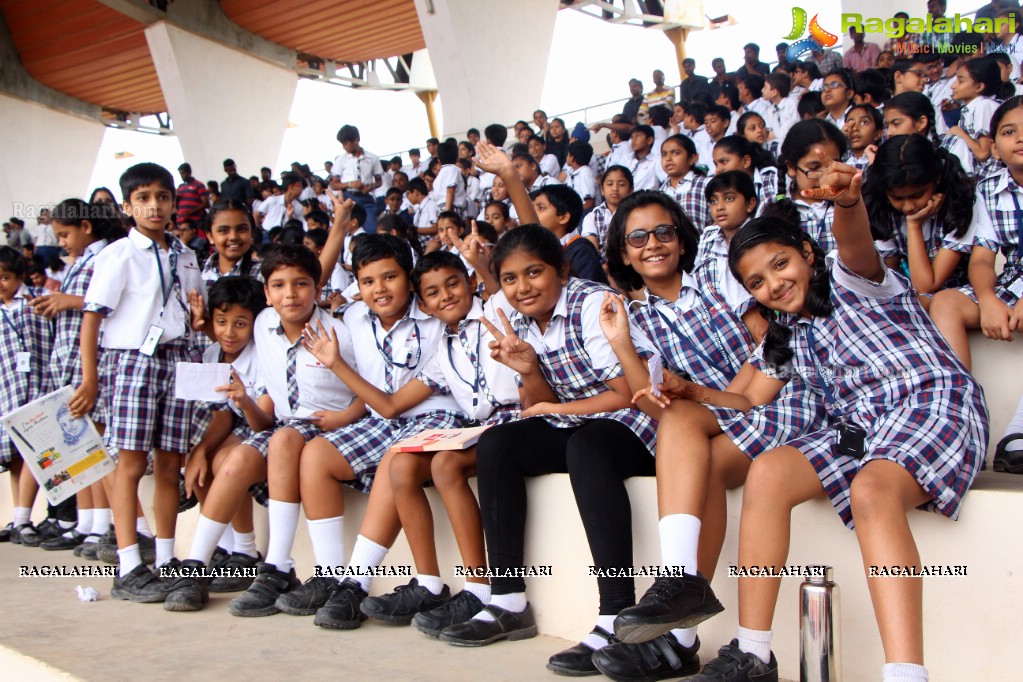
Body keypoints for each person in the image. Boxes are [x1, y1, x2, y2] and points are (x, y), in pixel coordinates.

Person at [675, 149, 987, 682]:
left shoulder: (851, 279)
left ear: (807, 253)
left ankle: (906, 675)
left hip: (929, 400)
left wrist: (847, 201)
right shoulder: (784, 334)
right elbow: (750, 402)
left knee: (872, 490)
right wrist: (690, 392)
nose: (773, 284)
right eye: (757, 282)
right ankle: (754, 653)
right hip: (862, 429)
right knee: (769, 469)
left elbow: (855, 241)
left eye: (780, 264)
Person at [590, 190, 822, 681]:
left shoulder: (720, 274)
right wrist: (620, 342)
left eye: (664, 231)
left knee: (688, 429)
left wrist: (712, 390)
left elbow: (772, 343)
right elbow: (649, 400)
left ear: (681, 238)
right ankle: (681, 627)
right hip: (715, 414)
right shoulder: (635, 317)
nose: (653, 243)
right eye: (638, 237)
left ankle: (679, 614)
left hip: (768, 399)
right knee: (686, 434)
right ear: (624, 252)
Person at [440, 225, 659, 677]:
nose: (523, 287)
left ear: (561, 269)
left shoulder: (591, 304)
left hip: (634, 424)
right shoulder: (518, 319)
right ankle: (508, 600)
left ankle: (615, 615)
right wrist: (529, 369)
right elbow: (540, 399)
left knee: (588, 446)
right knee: (498, 443)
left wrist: (553, 406)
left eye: (534, 273)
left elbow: (625, 394)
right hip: (576, 421)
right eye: (510, 279)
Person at [300, 248, 518, 632]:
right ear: (426, 301)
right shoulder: (442, 352)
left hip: (513, 419)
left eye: (454, 284)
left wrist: (484, 262)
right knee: (399, 459)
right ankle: (427, 583)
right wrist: (336, 364)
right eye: (433, 292)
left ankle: (477, 586)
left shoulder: (490, 314)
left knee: (430, 461)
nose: (445, 296)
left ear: (471, 284)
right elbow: (388, 406)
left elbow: (502, 291)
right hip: (478, 426)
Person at [272, 233, 463, 629]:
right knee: (317, 455)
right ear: (357, 287)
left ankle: (356, 583)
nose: (380, 289)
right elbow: (311, 284)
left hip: (435, 416)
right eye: (368, 281)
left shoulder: (434, 314)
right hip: (381, 419)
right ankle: (329, 577)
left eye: (390, 277)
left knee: (398, 457)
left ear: (410, 279)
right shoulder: (354, 316)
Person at [163, 242, 364, 614]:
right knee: (237, 460)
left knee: (285, 438)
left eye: (301, 284)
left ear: (317, 289)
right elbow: (223, 334)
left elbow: (367, 394)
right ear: (267, 294)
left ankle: (277, 566)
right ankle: (195, 566)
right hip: (286, 428)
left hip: (332, 429)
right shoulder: (262, 324)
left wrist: (345, 417)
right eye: (280, 285)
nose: (291, 294)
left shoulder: (340, 331)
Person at [70, 163, 206, 600]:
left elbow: (191, 307)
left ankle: (165, 561)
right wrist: (90, 380)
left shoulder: (185, 256)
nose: (154, 206)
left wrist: (197, 317)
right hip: (133, 362)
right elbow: (92, 318)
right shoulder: (117, 255)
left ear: (172, 204)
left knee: (169, 463)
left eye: (162, 197)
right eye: (144, 198)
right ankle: (129, 563)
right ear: (127, 206)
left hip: (178, 356)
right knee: (129, 464)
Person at [171, 277, 269, 598]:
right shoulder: (213, 353)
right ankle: (225, 550)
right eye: (222, 322)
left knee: (227, 462)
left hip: (264, 427)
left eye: (240, 323)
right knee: (199, 466)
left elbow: (259, 421)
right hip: (233, 424)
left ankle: (245, 551)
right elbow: (219, 414)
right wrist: (199, 449)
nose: (229, 332)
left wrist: (243, 401)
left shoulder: (261, 354)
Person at [931, 96, 1023, 371]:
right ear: (994, 148)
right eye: (1009, 132)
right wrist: (987, 299)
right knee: (945, 302)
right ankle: (961, 400)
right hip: (1013, 284)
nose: (1020, 138)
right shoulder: (988, 189)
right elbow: (982, 259)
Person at [863, 134, 978, 300]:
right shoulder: (883, 208)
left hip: (956, 295)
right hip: (913, 293)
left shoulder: (960, 203)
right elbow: (889, 273)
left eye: (917, 195)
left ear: (937, 178)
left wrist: (914, 225)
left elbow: (926, 285)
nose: (909, 206)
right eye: (897, 198)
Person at [0, 246, 55, 545]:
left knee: (34, 453)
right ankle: (19, 517)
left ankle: (23, 518)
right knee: (15, 458)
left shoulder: (35, 300)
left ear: (20, 276)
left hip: (38, 386)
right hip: (8, 390)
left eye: (5, 277)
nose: (1, 284)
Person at [780, 120, 847, 253]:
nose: (825, 177)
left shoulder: (848, 203)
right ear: (792, 167)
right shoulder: (773, 207)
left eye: (832, 166)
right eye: (814, 168)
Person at [940, 58, 1002, 177]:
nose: (953, 86)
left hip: (989, 176)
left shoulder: (984, 105)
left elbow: (983, 153)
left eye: (960, 81)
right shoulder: (971, 108)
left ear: (979, 87)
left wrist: (958, 132)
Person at [713, 135, 780, 217]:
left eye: (724, 161)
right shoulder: (721, 189)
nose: (718, 170)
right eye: (716, 164)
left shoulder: (771, 178)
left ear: (746, 161)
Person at [334, 124, 383, 232]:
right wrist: (350, 184)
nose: (344, 147)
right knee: (345, 229)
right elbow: (333, 184)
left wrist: (372, 186)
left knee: (371, 229)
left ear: (355, 140)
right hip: (348, 197)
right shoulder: (341, 160)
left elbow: (379, 181)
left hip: (365, 196)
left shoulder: (372, 158)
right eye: (343, 144)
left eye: (346, 143)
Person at [659, 135, 711, 230]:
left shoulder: (706, 184)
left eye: (675, 153)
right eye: (664, 154)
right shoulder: (659, 193)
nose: (668, 159)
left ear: (692, 158)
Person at [582, 165, 634, 256]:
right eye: (610, 184)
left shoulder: (635, 214)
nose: (615, 189)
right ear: (602, 189)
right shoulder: (592, 217)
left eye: (621, 185)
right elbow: (591, 248)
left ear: (630, 190)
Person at [841, 103, 883, 175]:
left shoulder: (882, 160)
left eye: (864, 122)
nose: (855, 128)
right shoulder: (840, 160)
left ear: (877, 134)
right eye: (851, 123)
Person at [562, 141, 597, 212]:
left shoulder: (585, 173)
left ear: (572, 157)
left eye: (568, 154)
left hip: (585, 214)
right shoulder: (573, 172)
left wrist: (574, 214)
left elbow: (589, 203)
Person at [408, 176, 439, 249]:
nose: (408, 197)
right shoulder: (418, 210)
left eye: (408, 193)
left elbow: (436, 228)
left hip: (430, 245)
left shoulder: (431, 205)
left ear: (415, 192)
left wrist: (414, 230)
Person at [626, 125, 659, 191]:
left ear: (649, 140)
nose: (633, 140)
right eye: (632, 137)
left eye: (638, 136)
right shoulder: (627, 159)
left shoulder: (657, 160)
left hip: (646, 199)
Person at [176, 163, 210, 228]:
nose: (181, 176)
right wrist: (176, 198)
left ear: (189, 172)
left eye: (183, 173)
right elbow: (175, 206)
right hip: (182, 222)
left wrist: (191, 211)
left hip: (195, 221)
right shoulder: (180, 187)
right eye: (180, 174)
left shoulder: (199, 185)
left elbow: (206, 203)